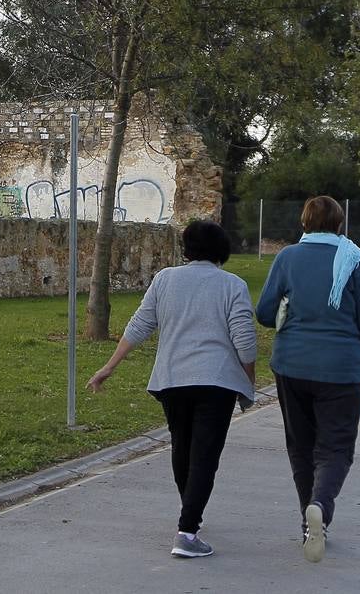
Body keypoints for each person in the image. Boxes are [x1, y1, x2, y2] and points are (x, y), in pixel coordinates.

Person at [86, 219, 256, 559]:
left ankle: (189, 513)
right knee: (205, 455)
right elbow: (245, 341)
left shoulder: (165, 279)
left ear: (187, 249)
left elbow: (140, 325)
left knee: (183, 447)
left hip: (172, 380)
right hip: (216, 382)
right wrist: (248, 379)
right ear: (222, 250)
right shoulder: (233, 285)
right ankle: (187, 531)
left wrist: (109, 366)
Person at [255, 195, 360, 563]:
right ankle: (320, 505)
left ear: (304, 222)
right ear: (339, 224)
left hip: (291, 366)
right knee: (336, 448)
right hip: (342, 371)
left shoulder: (287, 258)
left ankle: (308, 521)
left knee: (301, 446)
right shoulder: (354, 259)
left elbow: (264, 312)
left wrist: (288, 308)